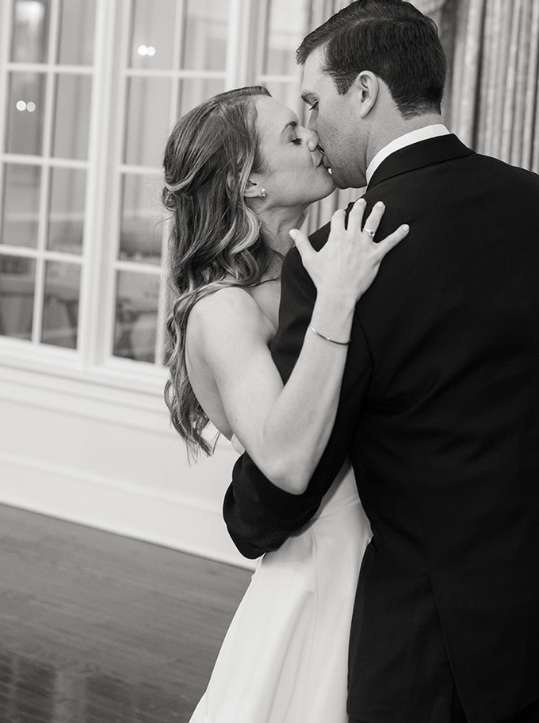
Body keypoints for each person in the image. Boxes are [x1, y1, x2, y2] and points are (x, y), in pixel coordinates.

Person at [221, 0, 539, 723]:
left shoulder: (346, 246)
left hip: (448, 637)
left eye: (314, 102)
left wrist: (243, 517)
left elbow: (294, 473)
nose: (310, 128)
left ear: (367, 91)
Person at [162, 85, 408, 723]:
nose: (314, 139)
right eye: (292, 137)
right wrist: (338, 301)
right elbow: (287, 461)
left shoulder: (328, 261)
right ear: (250, 185)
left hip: (391, 552)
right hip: (320, 564)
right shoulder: (222, 311)